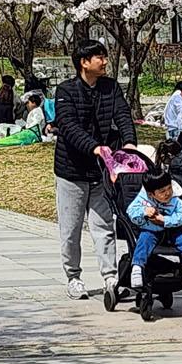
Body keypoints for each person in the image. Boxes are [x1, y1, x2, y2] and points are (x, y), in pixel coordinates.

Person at [54, 38, 136, 300]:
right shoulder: (66, 91)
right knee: (71, 229)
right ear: (84, 62)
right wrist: (95, 148)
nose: (104, 61)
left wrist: (129, 142)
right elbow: (68, 127)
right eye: (99, 57)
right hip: (71, 171)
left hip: (101, 172)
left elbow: (122, 115)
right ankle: (73, 277)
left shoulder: (110, 87)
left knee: (104, 225)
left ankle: (110, 277)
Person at [126, 169, 182, 293]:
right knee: (144, 240)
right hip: (152, 230)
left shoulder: (175, 199)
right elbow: (131, 212)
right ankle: (137, 267)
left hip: (174, 229)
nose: (167, 193)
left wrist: (165, 220)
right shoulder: (143, 199)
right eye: (162, 191)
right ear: (151, 194)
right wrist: (144, 211)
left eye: (169, 188)